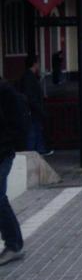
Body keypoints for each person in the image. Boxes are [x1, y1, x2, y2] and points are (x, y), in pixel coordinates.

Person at [0, 80, 25, 266]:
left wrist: (7, 144)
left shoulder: (6, 93)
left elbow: (18, 124)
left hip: (2, 154)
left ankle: (14, 245)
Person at [18, 56, 51, 156]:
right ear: (34, 64)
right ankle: (33, 152)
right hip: (32, 110)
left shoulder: (29, 76)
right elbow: (30, 96)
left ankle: (39, 149)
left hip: (33, 109)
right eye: (38, 63)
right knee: (33, 131)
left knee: (36, 129)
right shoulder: (29, 77)